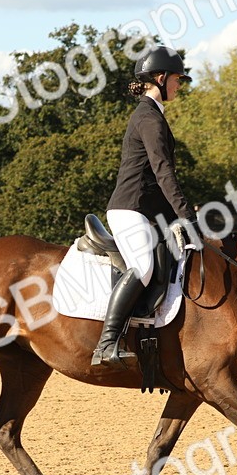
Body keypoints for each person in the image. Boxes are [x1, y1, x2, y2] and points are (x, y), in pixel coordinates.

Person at [92, 45, 197, 369]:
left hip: (145, 209)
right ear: (161, 78)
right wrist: (185, 214)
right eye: (178, 79)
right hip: (130, 208)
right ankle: (107, 343)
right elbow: (163, 170)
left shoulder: (152, 115)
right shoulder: (148, 117)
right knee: (144, 266)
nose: (180, 85)